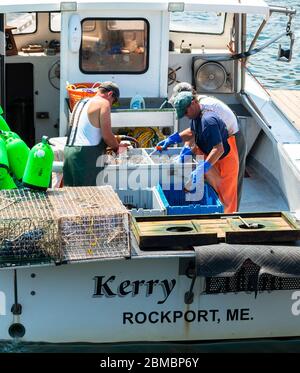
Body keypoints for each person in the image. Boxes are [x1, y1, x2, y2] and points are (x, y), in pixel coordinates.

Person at [157, 91, 239, 213]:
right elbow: (192, 132)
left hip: (225, 158)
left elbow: (219, 149)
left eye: (185, 112)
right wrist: (172, 139)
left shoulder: (209, 120)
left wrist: (202, 168)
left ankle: (228, 226)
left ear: (193, 103)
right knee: (214, 190)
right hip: (212, 154)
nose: (186, 115)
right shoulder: (196, 116)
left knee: (226, 198)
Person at [63, 81, 124, 186]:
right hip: (85, 157)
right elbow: (107, 136)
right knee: (87, 197)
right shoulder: (103, 103)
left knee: (71, 196)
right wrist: (117, 148)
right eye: (113, 102)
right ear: (110, 94)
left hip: (69, 153)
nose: (111, 104)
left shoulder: (80, 102)